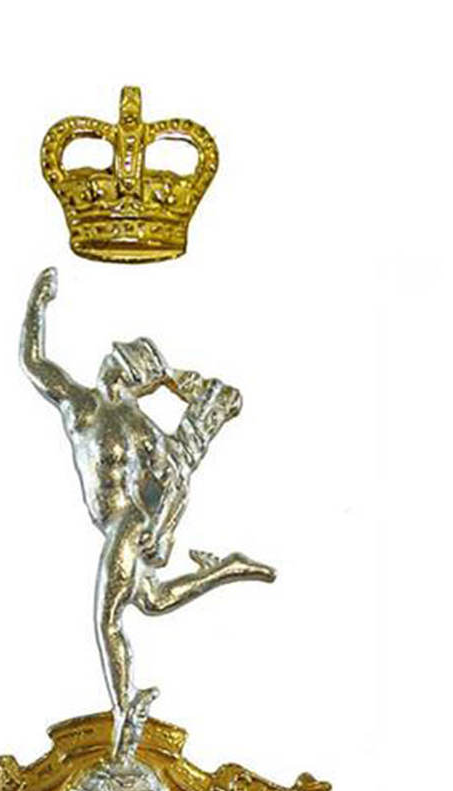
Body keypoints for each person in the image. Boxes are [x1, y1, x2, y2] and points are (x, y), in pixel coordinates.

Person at [20, 267, 275, 756]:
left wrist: (160, 529)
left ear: (121, 371)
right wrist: (38, 303)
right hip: (128, 526)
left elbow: (174, 483)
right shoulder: (92, 409)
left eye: (113, 359)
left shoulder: (123, 422)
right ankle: (227, 568)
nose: (105, 362)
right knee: (153, 601)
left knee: (107, 620)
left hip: (125, 524)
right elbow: (34, 363)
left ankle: (124, 707)